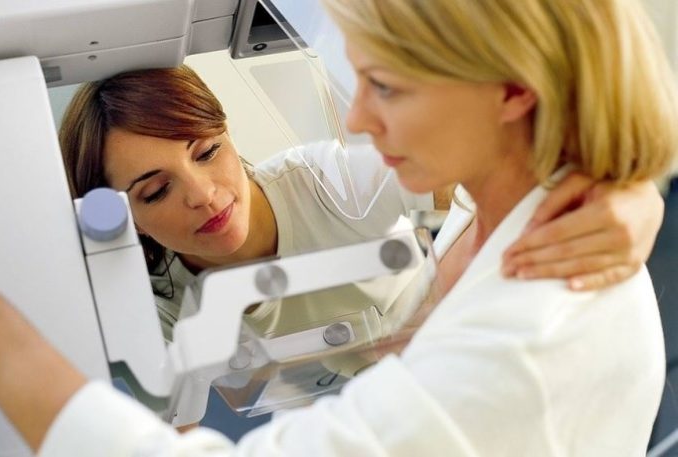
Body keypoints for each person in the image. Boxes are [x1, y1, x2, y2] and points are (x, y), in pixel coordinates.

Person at [0, 0, 675, 455]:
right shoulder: (498, 219)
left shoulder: (519, 334)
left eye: (386, 85)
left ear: (513, 89)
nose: (357, 119)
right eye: (156, 190)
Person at [61, 65, 663, 347]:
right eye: (156, 191)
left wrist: (636, 199)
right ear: (124, 218)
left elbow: (507, 163)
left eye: (207, 151)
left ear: (228, 133)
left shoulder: (330, 183)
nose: (202, 193)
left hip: (440, 344)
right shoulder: (156, 301)